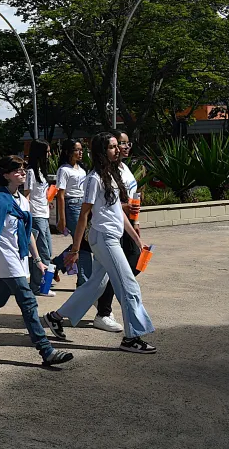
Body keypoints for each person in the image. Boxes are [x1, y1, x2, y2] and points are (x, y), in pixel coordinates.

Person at [44, 132, 157, 354]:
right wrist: (75, 249)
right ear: (101, 151)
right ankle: (132, 337)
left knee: (95, 285)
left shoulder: (112, 175)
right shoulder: (94, 179)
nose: (118, 150)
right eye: (113, 147)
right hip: (103, 239)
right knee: (129, 287)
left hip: (111, 237)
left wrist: (136, 238)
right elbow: (85, 216)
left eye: (118, 146)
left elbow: (117, 212)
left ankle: (55, 317)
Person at [0, 156, 75, 367]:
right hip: (3, 258)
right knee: (28, 301)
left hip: (18, 257)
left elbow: (29, 233)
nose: (23, 172)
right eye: (17, 170)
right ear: (5, 174)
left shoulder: (22, 200)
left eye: (23, 169)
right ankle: (46, 350)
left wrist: (38, 261)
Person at [90, 129, 141, 332]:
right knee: (121, 276)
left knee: (127, 266)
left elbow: (130, 198)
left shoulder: (124, 168)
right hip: (109, 228)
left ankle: (61, 314)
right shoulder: (101, 175)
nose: (125, 147)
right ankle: (104, 312)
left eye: (127, 143)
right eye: (121, 143)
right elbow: (98, 207)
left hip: (124, 224)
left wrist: (135, 224)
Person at [54, 139, 93, 285]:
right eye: (77, 149)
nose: (80, 152)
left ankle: (57, 263)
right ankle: (84, 280)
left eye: (81, 149)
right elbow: (61, 195)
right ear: (68, 152)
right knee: (82, 243)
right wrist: (62, 218)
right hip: (71, 206)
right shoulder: (63, 170)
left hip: (83, 205)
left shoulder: (81, 169)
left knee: (83, 242)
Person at [23, 140, 55, 297]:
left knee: (47, 249)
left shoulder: (41, 171)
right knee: (43, 251)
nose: (49, 155)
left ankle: (39, 283)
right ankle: (38, 286)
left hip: (44, 213)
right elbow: (26, 195)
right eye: (47, 151)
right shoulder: (30, 172)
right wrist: (26, 216)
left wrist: (47, 203)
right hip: (36, 215)